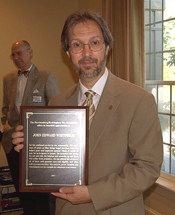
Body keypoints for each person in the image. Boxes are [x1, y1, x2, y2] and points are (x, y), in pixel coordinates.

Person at [12, 11, 163, 215]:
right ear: (67, 53)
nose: (86, 53)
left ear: (107, 48)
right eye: (76, 45)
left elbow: (147, 167)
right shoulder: (57, 103)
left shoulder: (139, 100)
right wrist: (30, 144)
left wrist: (94, 193)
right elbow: (54, 164)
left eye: (94, 43)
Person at [1, 40, 60, 215]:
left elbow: (55, 109)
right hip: (12, 143)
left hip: (37, 144)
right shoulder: (8, 78)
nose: (16, 57)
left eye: (20, 53)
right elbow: (6, 108)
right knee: (21, 189)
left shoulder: (46, 76)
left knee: (41, 191)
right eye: (13, 54)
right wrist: (6, 127)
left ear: (30, 52)